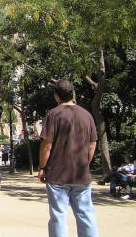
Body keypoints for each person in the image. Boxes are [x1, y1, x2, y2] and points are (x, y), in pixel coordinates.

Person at [38, 79, 98, 237]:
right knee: (86, 214)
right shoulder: (87, 115)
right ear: (72, 93)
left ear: (56, 96)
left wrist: (42, 167)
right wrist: (85, 164)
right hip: (81, 174)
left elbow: (47, 145)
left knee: (58, 216)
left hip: (57, 175)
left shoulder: (53, 115)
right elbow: (92, 145)